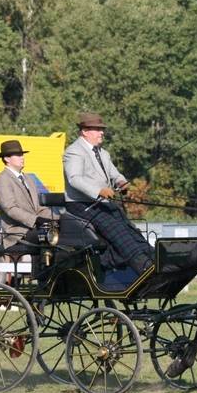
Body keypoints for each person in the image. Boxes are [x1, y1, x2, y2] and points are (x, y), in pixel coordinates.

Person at [63, 112, 154, 274]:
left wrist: (121, 182)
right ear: (85, 131)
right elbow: (74, 179)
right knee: (116, 230)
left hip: (100, 204)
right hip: (80, 204)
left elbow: (114, 174)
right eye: (97, 129)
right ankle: (143, 266)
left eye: (102, 129)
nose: (102, 132)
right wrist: (99, 190)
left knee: (129, 228)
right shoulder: (74, 151)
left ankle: (153, 257)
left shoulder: (103, 153)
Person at [0, 140, 56, 249]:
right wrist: (35, 220)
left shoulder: (28, 178)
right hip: (17, 232)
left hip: (33, 229)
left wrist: (58, 218)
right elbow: (10, 209)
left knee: (65, 232)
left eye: (22, 154)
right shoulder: (2, 179)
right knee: (51, 237)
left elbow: (38, 207)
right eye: (18, 155)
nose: (22, 157)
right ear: (7, 159)